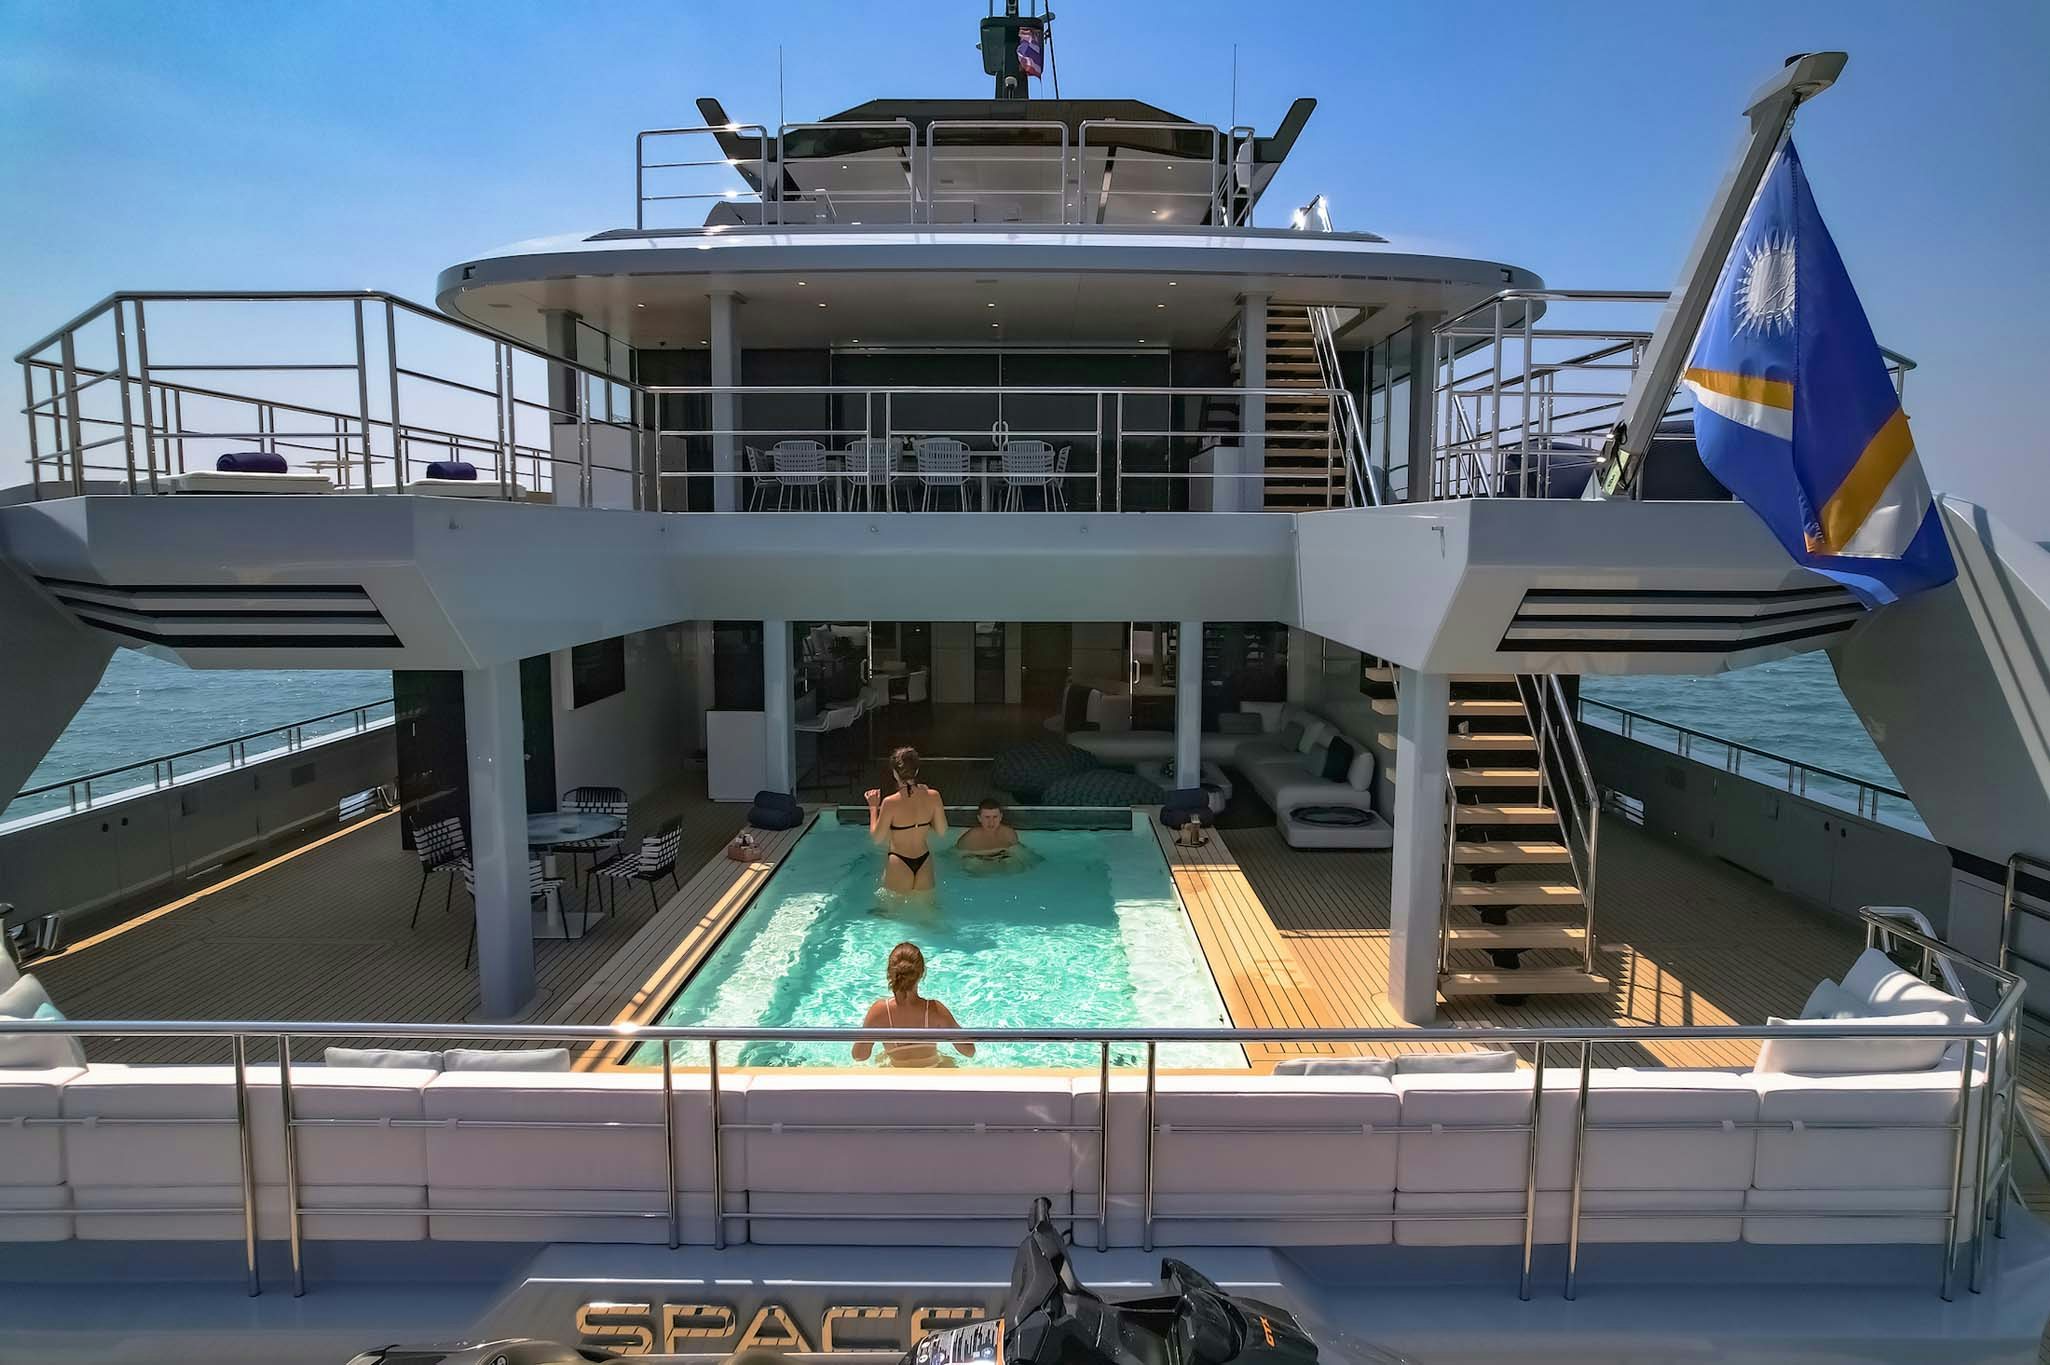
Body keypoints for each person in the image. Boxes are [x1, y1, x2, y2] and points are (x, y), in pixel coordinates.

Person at [853, 941, 974, 1067]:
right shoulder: (935, 1010)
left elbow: (859, 1056)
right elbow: (969, 1051)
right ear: (921, 974)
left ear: (890, 973)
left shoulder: (879, 1011)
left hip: (896, 1078)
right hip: (932, 1074)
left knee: (880, 1058)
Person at [866, 746, 947, 892]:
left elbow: (877, 838)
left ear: (895, 774)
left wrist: (873, 808)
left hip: (899, 860)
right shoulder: (934, 796)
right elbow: (941, 831)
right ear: (916, 771)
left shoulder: (890, 803)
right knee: (926, 912)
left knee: (889, 912)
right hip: (924, 861)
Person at [954, 798, 1020, 859]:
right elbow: (956, 856)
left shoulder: (1009, 834)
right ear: (979, 818)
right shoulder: (970, 838)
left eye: (995, 817)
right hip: (978, 862)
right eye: (987, 817)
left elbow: (1019, 854)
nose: (991, 822)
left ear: (1001, 817)